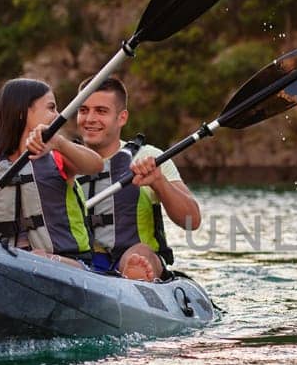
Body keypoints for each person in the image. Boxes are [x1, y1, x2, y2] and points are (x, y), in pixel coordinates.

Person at [0, 78, 104, 261]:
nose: (57, 115)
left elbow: (95, 165)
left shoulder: (59, 156)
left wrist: (60, 143)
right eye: (51, 107)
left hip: (65, 264)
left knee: (40, 259)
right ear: (23, 112)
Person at [74, 77, 202, 281]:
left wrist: (159, 182)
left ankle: (136, 276)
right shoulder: (64, 161)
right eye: (83, 110)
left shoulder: (148, 157)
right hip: (82, 263)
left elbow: (192, 220)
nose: (90, 118)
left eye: (101, 111)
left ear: (122, 118)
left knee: (138, 254)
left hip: (133, 258)